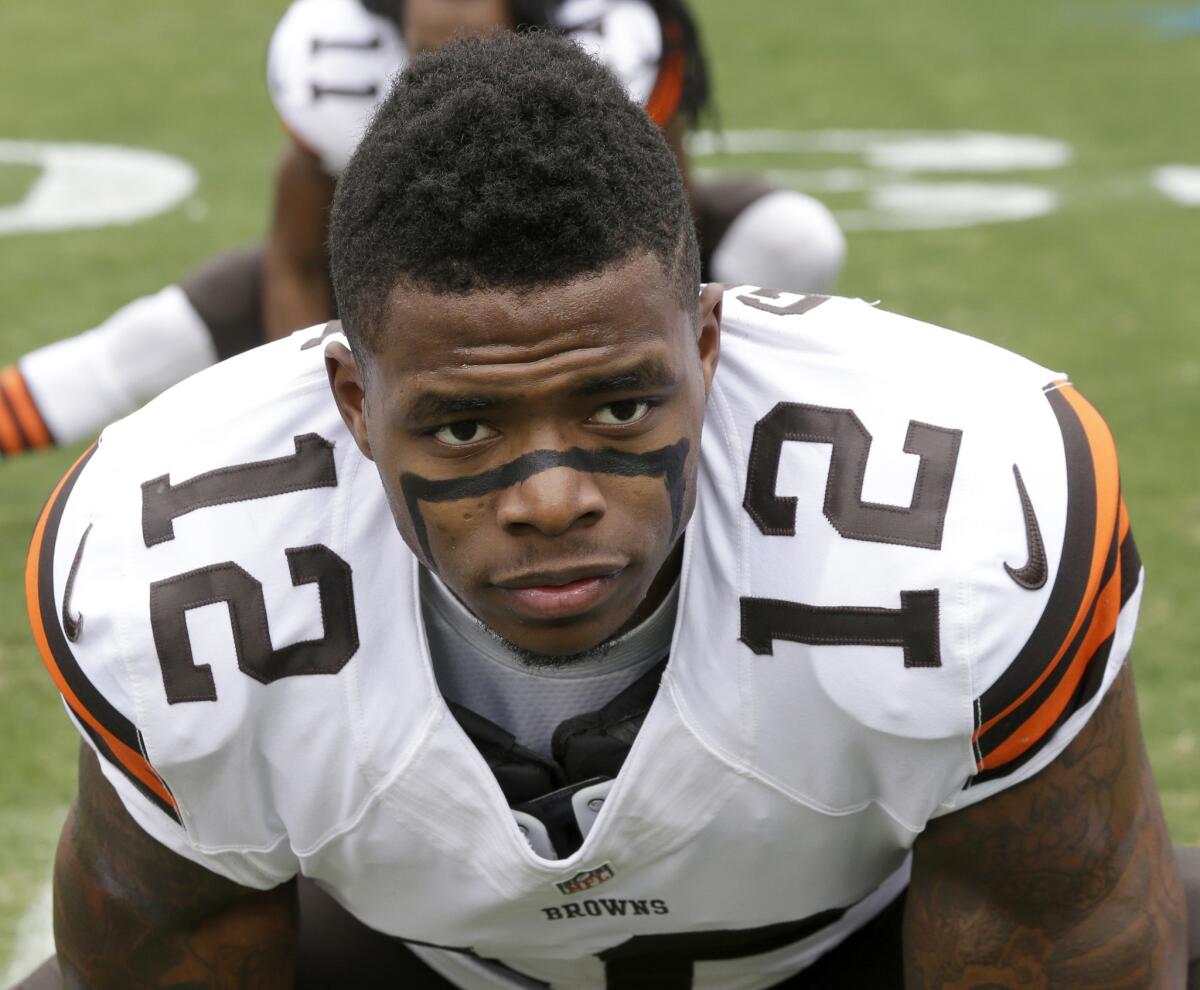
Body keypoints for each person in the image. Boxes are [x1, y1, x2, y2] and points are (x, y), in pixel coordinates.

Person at [16, 30, 1191, 990]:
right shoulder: (181, 563)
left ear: (711, 343)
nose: (552, 498)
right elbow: (167, 944)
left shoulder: (964, 519)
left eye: (621, 406)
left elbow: (1067, 942)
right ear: (351, 400)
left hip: (858, 947)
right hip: (423, 966)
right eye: (466, 425)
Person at [0, 0, 844, 459]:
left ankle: (749, 421)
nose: (452, 70)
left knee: (794, 237)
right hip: (403, 261)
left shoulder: (616, 40)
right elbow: (299, 256)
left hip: (591, 251)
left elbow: (669, 231)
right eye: (429, 44)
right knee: (153, 336)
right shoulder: (337, 65)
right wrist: (328, 425)